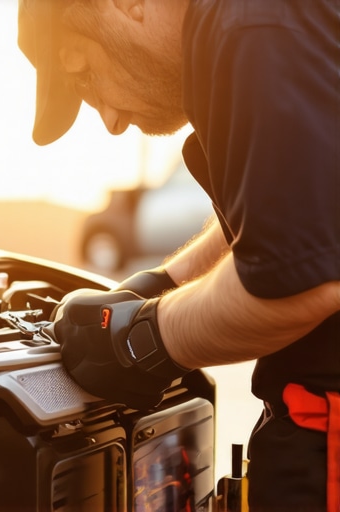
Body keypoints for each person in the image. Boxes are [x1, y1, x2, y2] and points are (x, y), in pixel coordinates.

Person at [18, 1, 340, 510]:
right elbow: (298, 203)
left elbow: (301, 279)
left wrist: (141, 340)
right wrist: (162, 283)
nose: (110, 122)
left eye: (85, 76)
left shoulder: (253, 25)